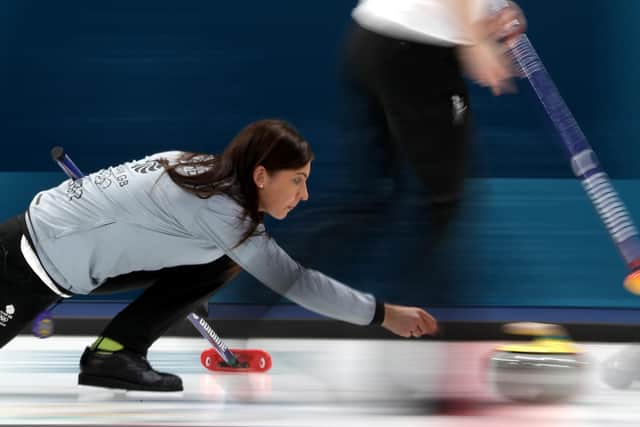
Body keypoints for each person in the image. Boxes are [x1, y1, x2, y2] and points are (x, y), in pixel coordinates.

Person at [0, 119, 438, 392]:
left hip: (58, 258)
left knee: (218, 261)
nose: (305, 195)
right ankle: (115, 352)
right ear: (262, 175)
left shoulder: (198, 169)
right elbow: (297, 281)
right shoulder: (224, 214)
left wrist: (186, 289)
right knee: (225, 257)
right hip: (23, 264)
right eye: (298, 181)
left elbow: (152, 226)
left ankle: (116, 352)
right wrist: (381, 314)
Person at [339, 0, 527, 246]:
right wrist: (474, 42)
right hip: (415, 53)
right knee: (441, 199)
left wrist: (493, 6)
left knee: (373, 200)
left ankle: (289, 274)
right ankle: (421, 283)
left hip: (372, 37)